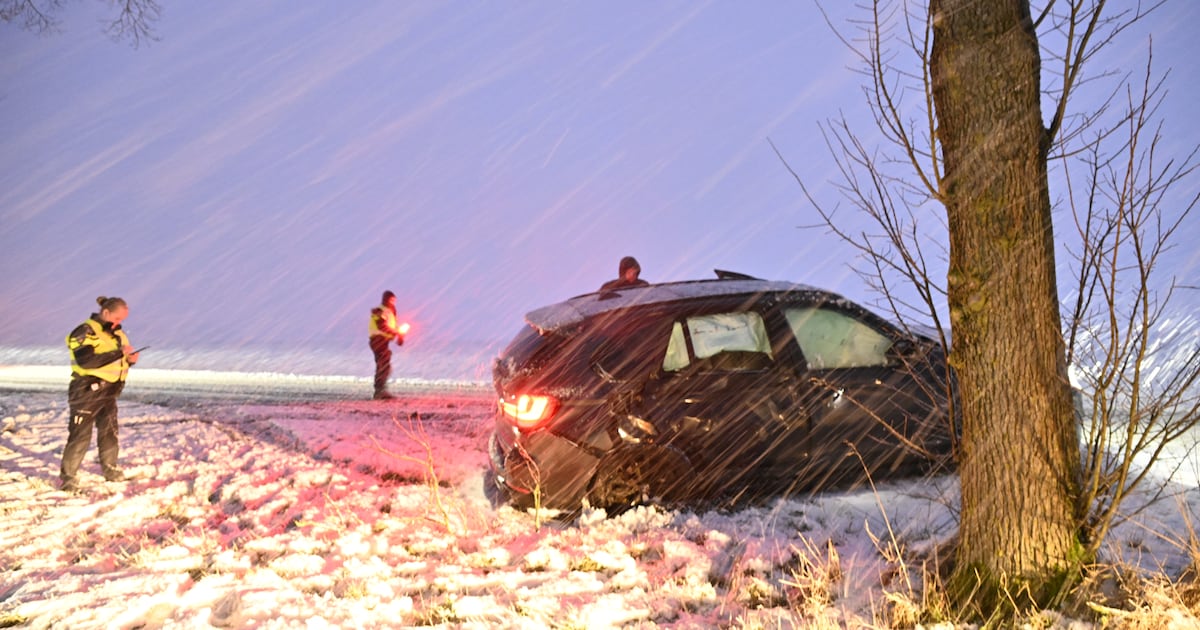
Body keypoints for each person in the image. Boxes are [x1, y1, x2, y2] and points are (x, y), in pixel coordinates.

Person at [60, 296, 140, 493]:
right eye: (117, 318)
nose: (119, 322)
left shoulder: (118, 333)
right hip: (86, 390)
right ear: (106, 312)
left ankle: (110, 469)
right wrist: (119, 353)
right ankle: (69, 478)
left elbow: (116, 361)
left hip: (109, 391)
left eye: (122, 319)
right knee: (80, 435)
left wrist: (130, 360)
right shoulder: (84, 331)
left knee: (109, 432)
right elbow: (86, 361)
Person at [368, 290, 407, 400]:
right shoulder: (379, 311)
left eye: (394, 301)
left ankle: (381, 390)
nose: (393, 303)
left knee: (385, 365)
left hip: (384, 341)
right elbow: (382, 326)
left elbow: (394, 327)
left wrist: (400, 337)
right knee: (384, 365)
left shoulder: (391, 313)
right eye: (391, 300)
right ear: (385, 299)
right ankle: (380, 391)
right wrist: (396, 333)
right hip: (377, 340)